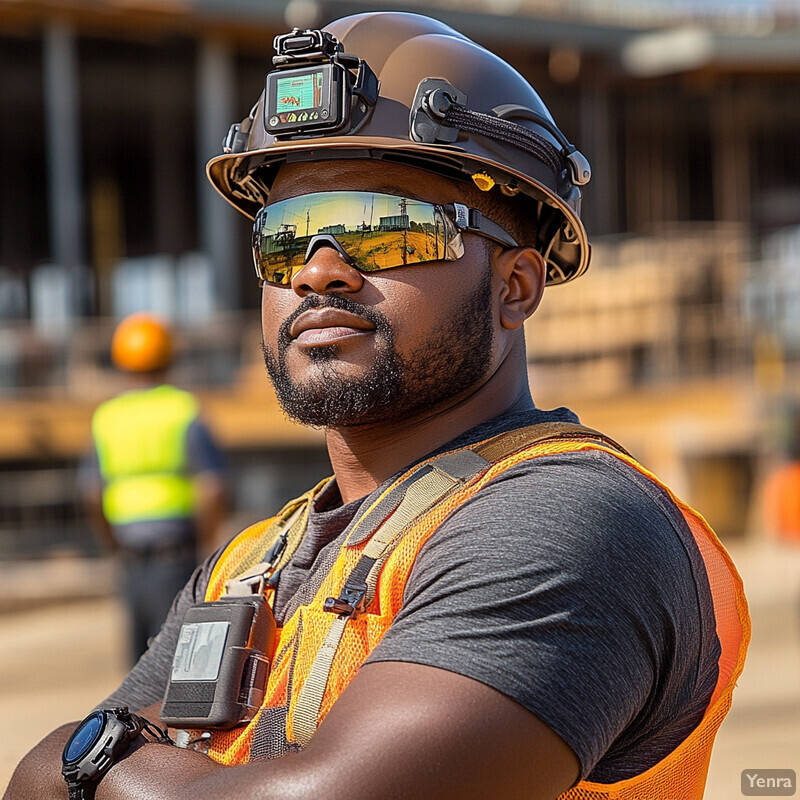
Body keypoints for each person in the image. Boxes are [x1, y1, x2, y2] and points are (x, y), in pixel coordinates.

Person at [6, 12, 749, 800]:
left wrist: (81, 759)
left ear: (515, 286)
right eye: (285, 238)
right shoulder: (252, 563)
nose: (318, 272)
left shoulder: (573, 522)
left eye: (388, 229)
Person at [81, 312, 227, 664]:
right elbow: (212, 489)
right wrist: (208, 547)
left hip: (130, 560)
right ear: (169, 357)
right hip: (175, 557)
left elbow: (91, 493)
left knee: (139, 671)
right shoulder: (184, 411)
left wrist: (112, 547)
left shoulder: (107, 418)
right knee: (176, 663)